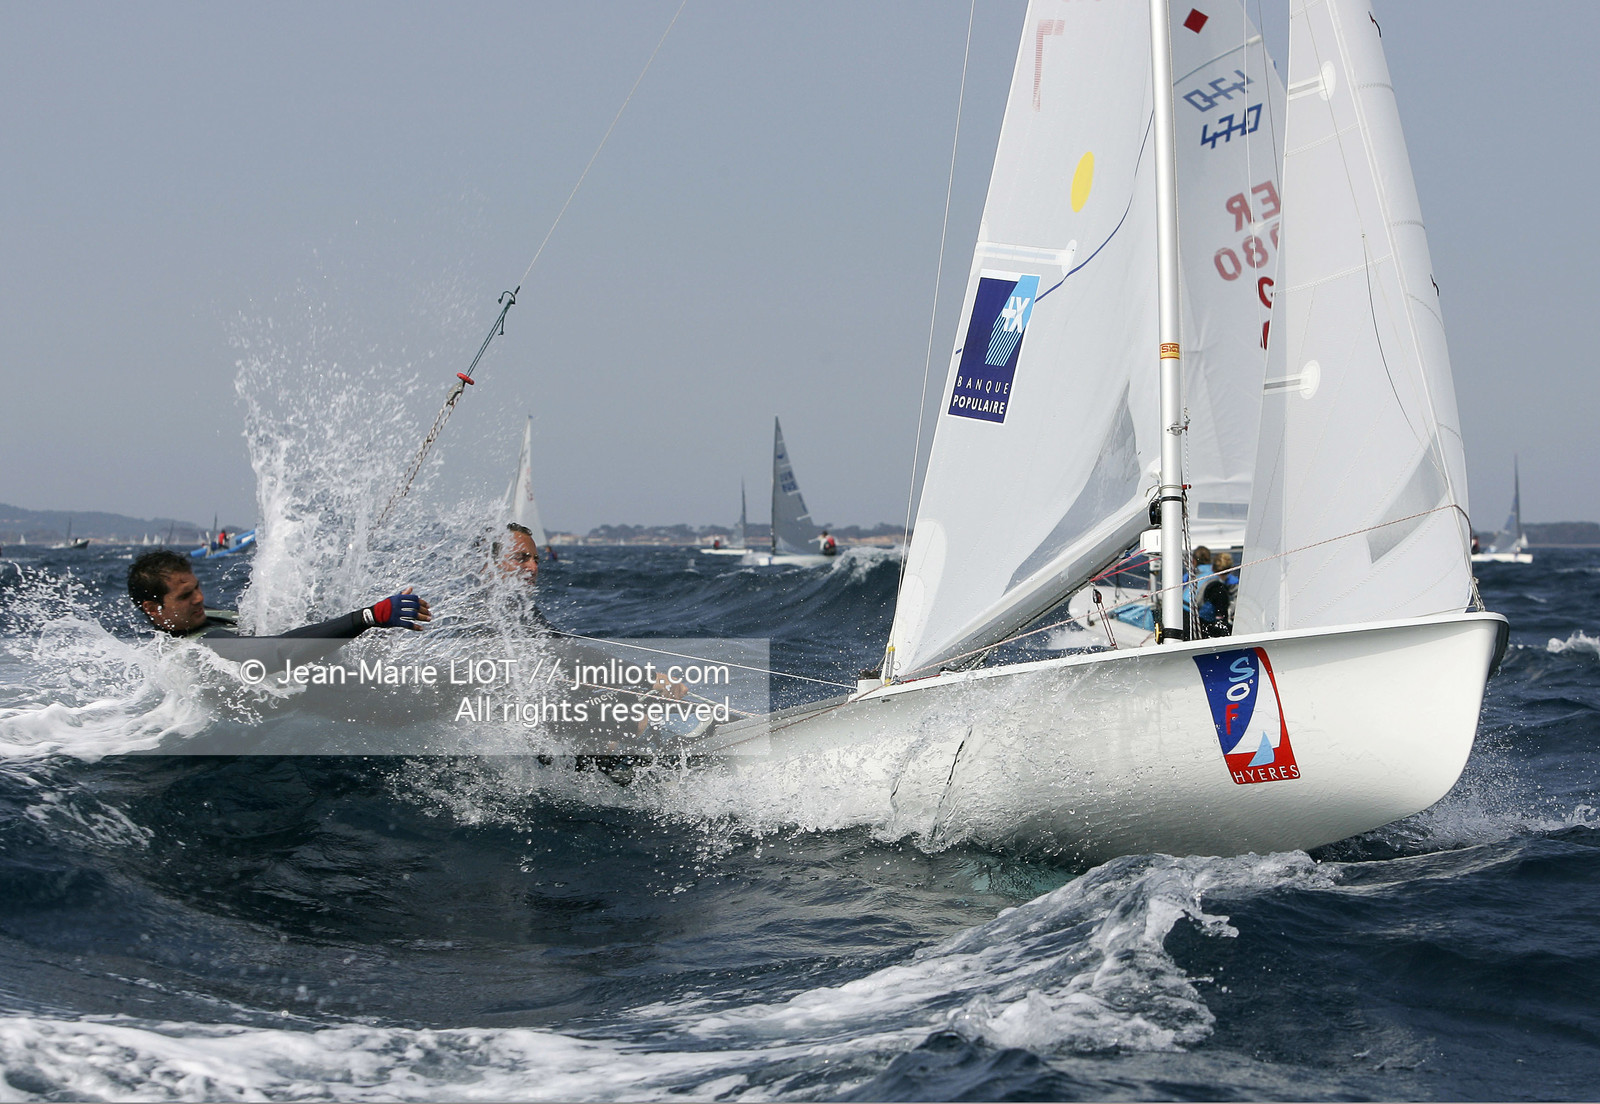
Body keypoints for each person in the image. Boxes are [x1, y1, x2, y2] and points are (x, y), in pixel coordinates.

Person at [128, 549, 429, 640]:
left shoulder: (208, 619)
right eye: (184, 596)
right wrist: (368, 617)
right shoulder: (198, 646)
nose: (198, 599)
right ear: (153, 608)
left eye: (196, 588)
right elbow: (276, 654)